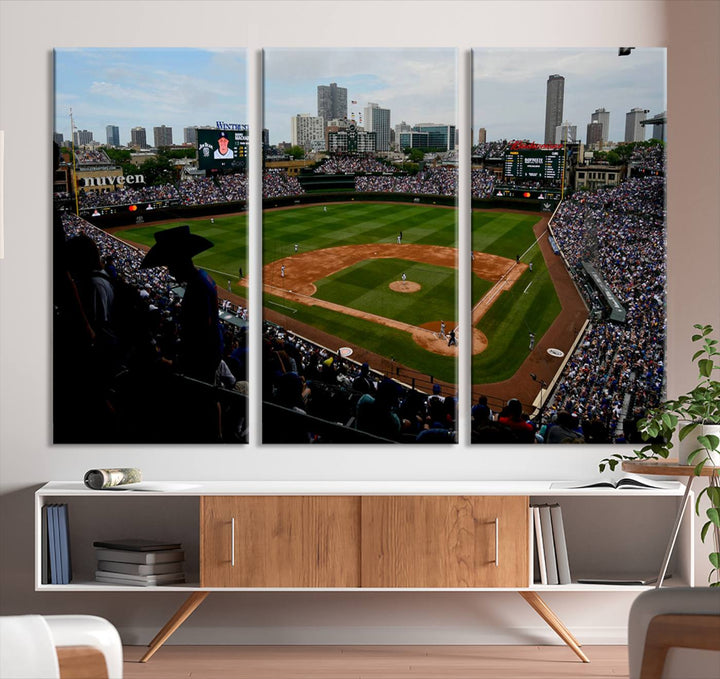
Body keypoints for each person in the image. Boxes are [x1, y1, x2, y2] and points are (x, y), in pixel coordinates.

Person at [141, 224, 222, 384]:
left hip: (201, 365)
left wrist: (175, 363)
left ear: (180, 262)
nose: (170, 271)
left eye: (170, 265)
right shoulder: (202, 277)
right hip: (208, 357)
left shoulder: (197, 287)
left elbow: (200, 337)